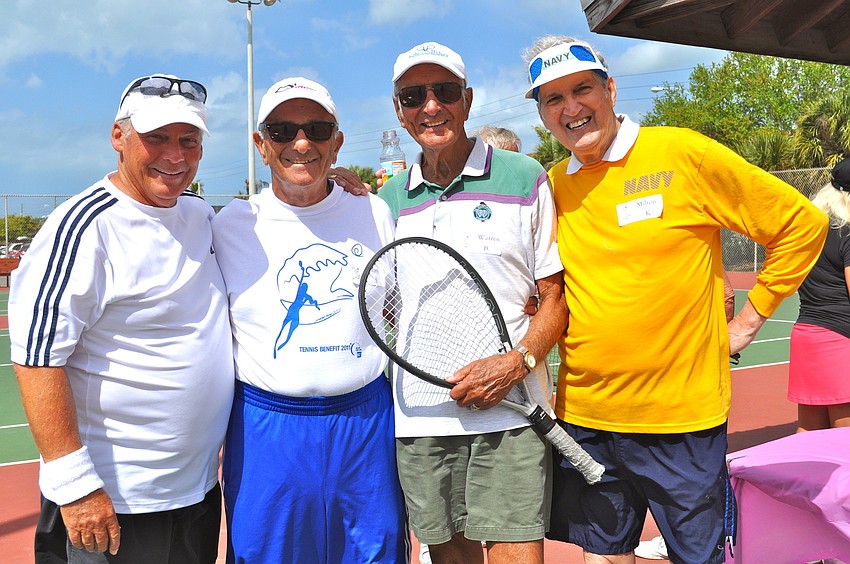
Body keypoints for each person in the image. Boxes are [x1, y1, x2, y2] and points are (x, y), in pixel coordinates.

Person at [522, 36, 828, 564]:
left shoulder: (683, 152)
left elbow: (802, 224)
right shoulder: (551, 187)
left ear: (610, 89)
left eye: (582, 89)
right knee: (604, 553)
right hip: (587, 418)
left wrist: (749, 322)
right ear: (544, 115)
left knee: (699, 557)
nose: (571, 108)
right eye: (553, 99)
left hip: (681, 421)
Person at [9, 74, 233, 563]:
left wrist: (342, 185)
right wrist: (75, 487)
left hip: (193, 493)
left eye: (189, 140)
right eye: (157, 138)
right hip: (111, 502)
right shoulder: (83, 226)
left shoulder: (200, 215)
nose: (175, 156)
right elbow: (37, 360)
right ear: (119, 137)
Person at [378, 41, 567, 564]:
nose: (430, 106)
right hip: (419, 421)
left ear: (467, 98)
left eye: (444, 92)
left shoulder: (524, 177)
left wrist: (518, 362)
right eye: (414, 96)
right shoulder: (384, 201)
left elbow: (554, 299)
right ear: (399, 109)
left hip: (511, 414)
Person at [211, 77, 407, 563]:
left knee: (376, 553)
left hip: (365, 423)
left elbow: (397, 310)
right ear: (261, 145)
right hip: (266, 429)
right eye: (282, 131)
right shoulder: (229, 224)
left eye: (317, 129)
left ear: (337, 142)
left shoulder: (375, 211)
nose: (301, 143)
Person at [788, 157, 850, 432]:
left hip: (807, 335)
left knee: (808, 433)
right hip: (841, 339)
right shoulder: (846, 231)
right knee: (843, 440)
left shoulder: (808, 230)